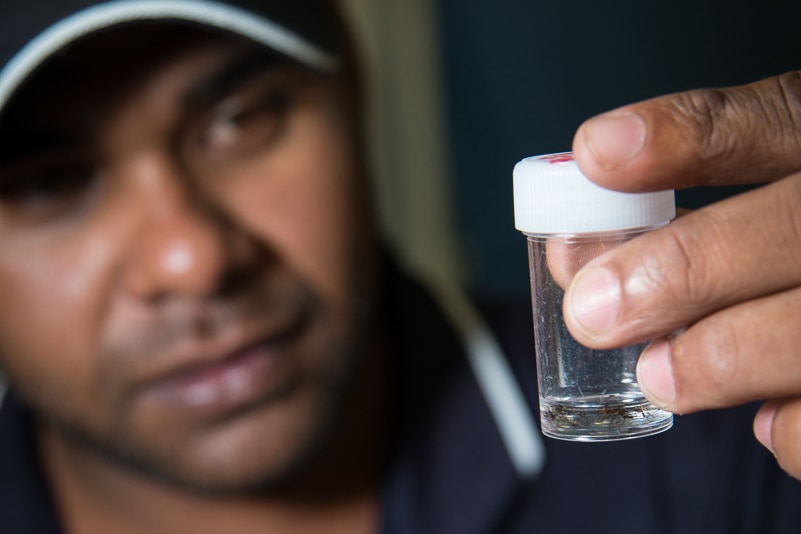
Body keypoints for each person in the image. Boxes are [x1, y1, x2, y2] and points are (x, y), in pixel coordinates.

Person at [0, 2, 799, 533]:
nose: (194, 259)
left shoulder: (730, 435)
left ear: (353, 81)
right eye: (49, 182)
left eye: (241, 119)